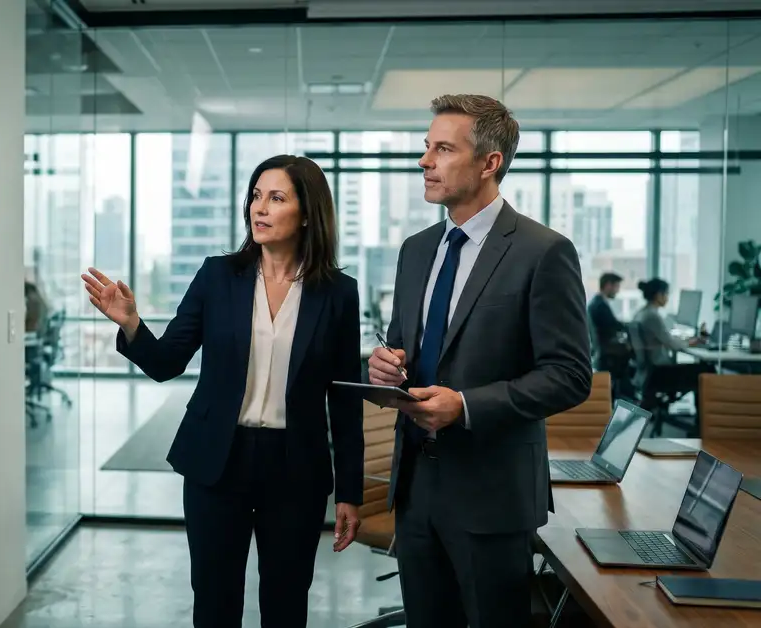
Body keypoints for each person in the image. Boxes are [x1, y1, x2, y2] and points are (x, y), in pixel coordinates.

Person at [82, 155, 366, 628]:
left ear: (308, 212)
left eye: (276, 198)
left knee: (286, 602)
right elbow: (166, 362)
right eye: (256, 195)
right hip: (218, 462)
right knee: (214, 602)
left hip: (295, 467)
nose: (260, 207)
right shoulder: (218, 276)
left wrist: (350, 493)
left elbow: (344, 400)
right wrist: (132, 324)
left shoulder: (338, 293)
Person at [367, 94, 592, 628]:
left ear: (490, 163)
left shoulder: (543, 251)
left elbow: (569, 375)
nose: (425, 161)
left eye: (443, 149)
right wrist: (381, 368)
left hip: (492, 497)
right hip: (416, 489)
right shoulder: (416, 250)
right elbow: (402, 348)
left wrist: (465, 405)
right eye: (426, 147)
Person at [632, 278, 698, 376]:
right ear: (659, 295)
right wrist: (689, 342)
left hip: (648, 369)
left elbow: (664, 339)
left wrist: (682, 341)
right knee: (706, 370)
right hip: (659, 370)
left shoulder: (640, 313)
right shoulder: (652, 316)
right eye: (666, 294)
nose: (667, 298)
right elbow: (671, 344)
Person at [588, 272, 632, 397]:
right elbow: (613, 326)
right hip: (608, 354)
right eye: (616, 287)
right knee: (636, 355)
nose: (617, 291)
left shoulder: (597, 302)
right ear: (608, 285)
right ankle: (630, 397)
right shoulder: (600, 306)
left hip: (602, 351)